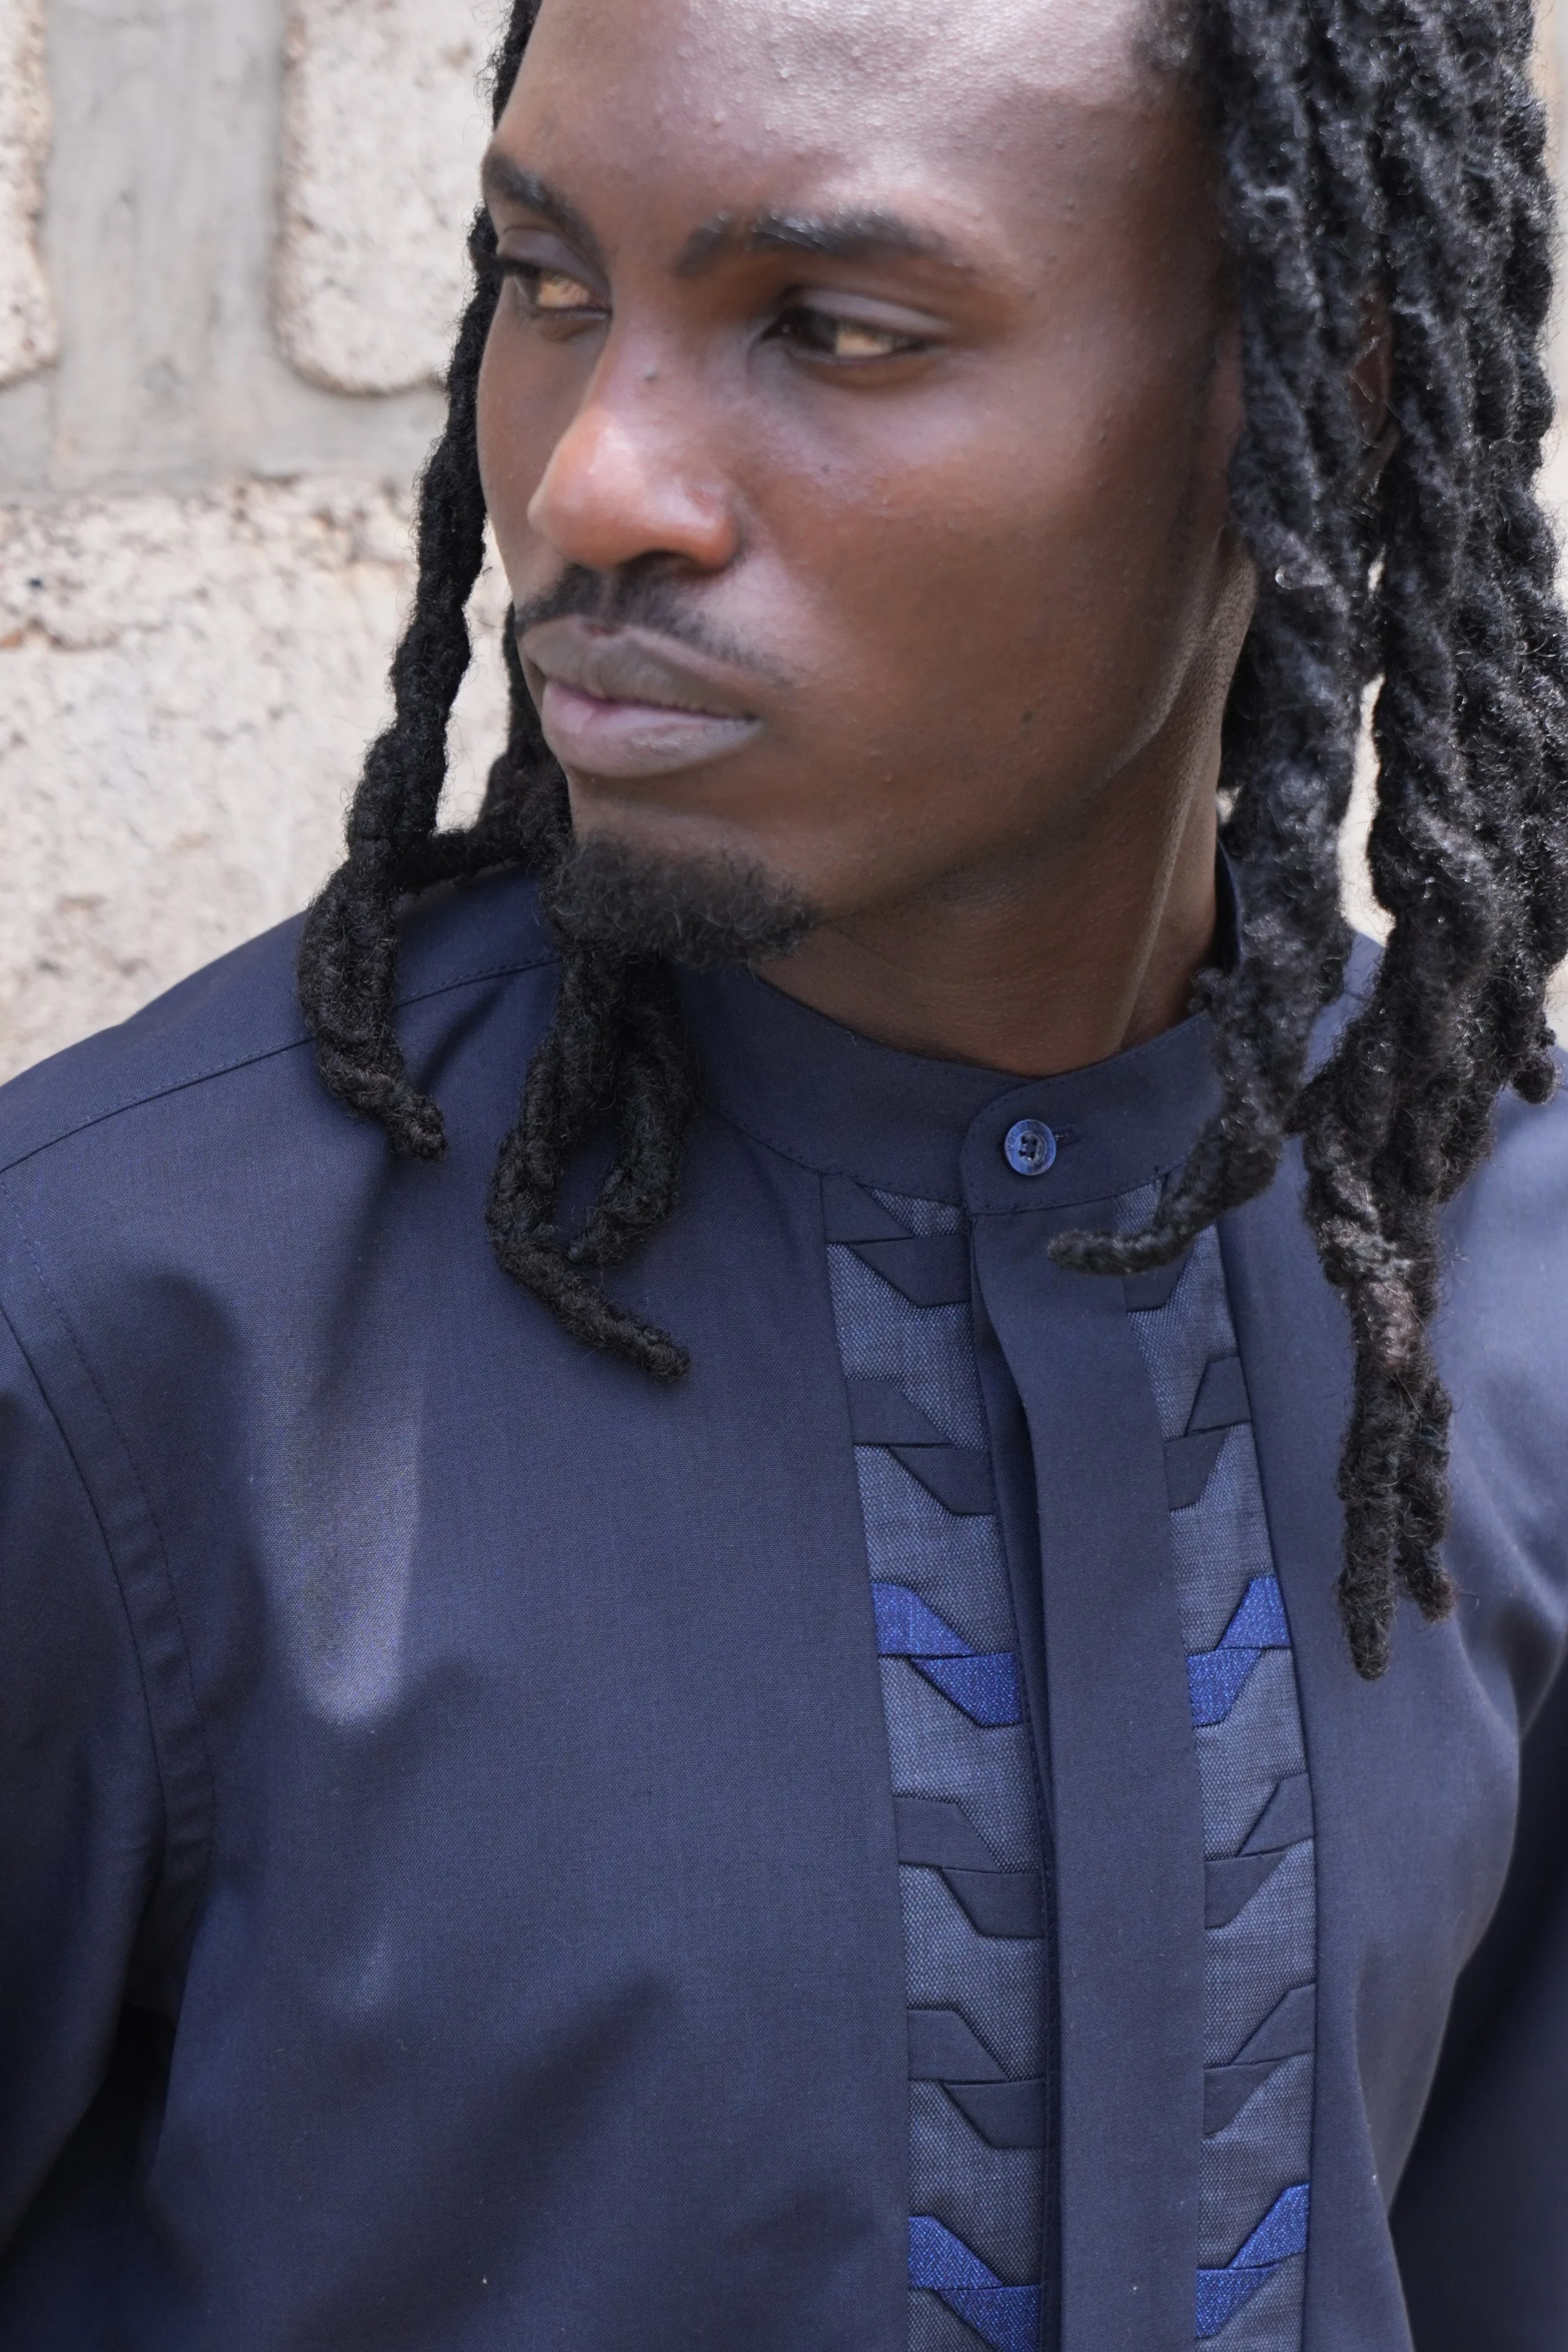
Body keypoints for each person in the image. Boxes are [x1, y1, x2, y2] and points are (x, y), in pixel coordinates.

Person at [2, 0, 1565, 2342]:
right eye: (545, 281)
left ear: (1308, 395)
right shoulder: (122, 1342)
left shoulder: (1505, 1270)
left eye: (831, 328)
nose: (597, 478)